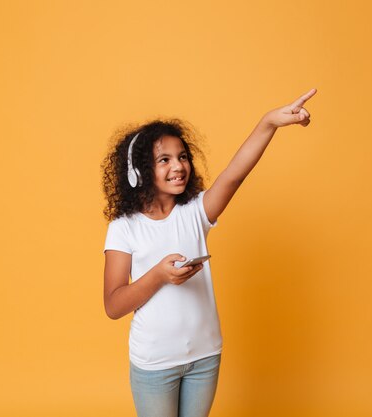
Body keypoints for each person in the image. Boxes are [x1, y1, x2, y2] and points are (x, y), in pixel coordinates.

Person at [101, 88, 317, 417]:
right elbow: (114, 305)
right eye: (164, 159)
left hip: (205, 357)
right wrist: (159, 275)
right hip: (155, 363)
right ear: (138, 172)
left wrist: (268, 123)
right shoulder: (124, 227)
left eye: (183, 156)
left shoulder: (195, 212)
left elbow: (235, 174)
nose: (179, 166)